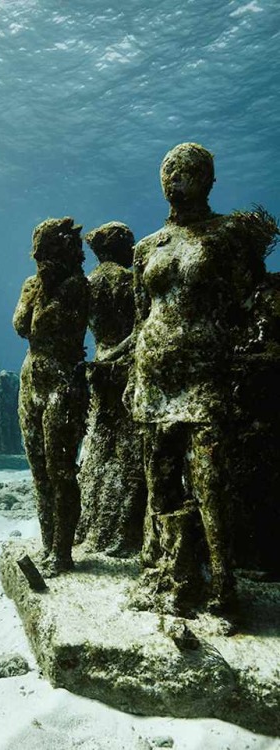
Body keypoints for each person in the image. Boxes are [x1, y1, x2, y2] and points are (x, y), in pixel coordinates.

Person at [122, 143, 277, 616]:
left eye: (188, 170)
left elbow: (252, 300)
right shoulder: (147, 246)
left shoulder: (229, 235)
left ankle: (223, 585)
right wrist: (132, 374)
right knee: (161, 481)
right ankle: (177, 574)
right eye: (169, 170)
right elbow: (140, 318)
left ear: (209, 179)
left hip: (205, 374)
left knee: (211, 482)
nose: (176, 179)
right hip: (153, 375)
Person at [13, 217, 88, 576]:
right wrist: (37, 288)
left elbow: (43, 324)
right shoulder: (33, 285)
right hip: (32, 380)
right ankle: (47, 545)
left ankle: (62, 553)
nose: (40, 258)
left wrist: (42, 289)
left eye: (46, 250)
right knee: (39, 471)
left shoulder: (76, 286)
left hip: (63, 380)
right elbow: (20, 325)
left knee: (61, 471)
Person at [77, 222, 146, 555]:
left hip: (100, 368)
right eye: (130, 242)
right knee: (130, 450)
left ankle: (89, 525)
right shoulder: (127, 281)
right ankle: (123, 532)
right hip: (125, 369)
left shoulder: (87, 284)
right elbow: (142, 325)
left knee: (98, 447)